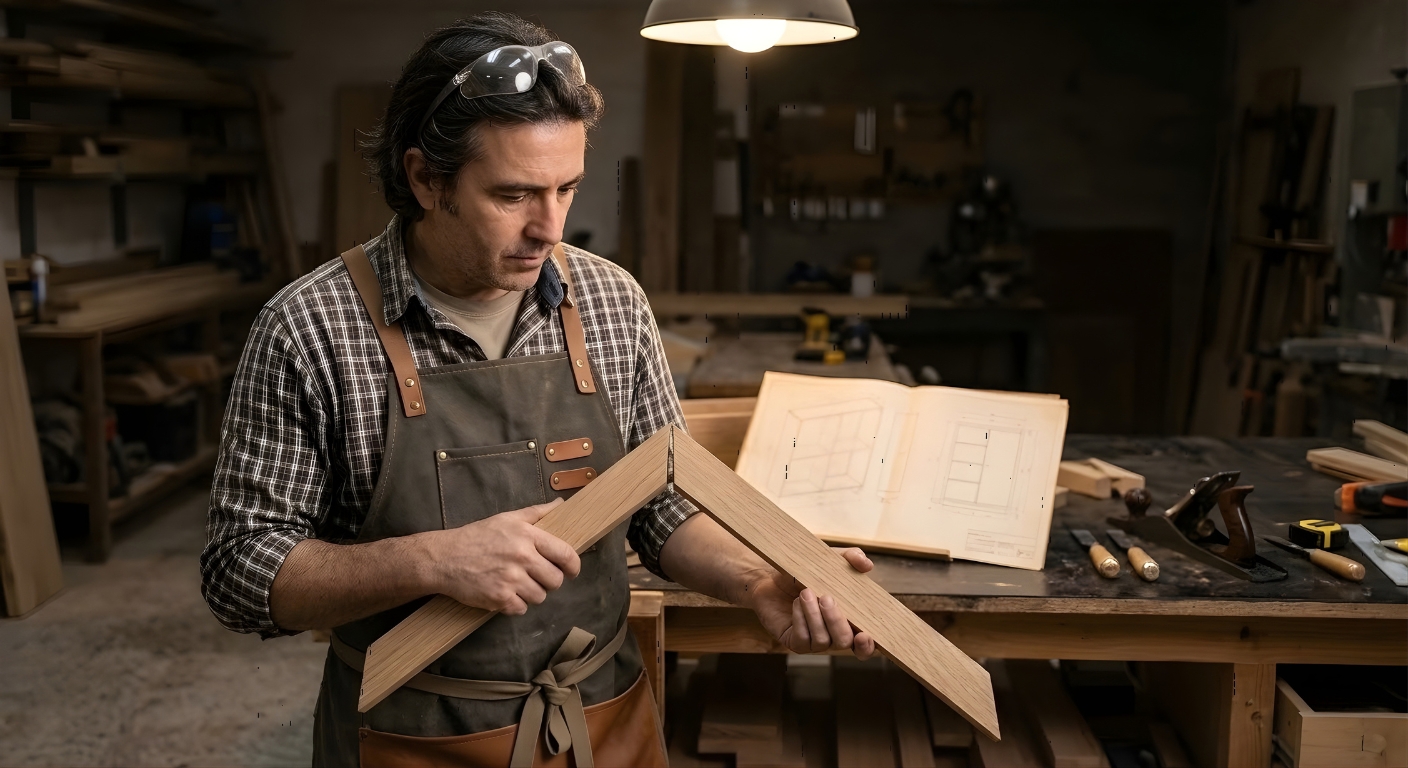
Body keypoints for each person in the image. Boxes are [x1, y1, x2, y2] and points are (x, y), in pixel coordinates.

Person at [201, 12, 874, 767]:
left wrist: (757, 581)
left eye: (568, 188)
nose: (549, 227)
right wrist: (430, 561)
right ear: (426, 178)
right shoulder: (310, 330)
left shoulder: (613, 305)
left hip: (603, 719)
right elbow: (240, 568)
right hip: (413, 738)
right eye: (514, 195)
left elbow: (659, 505)